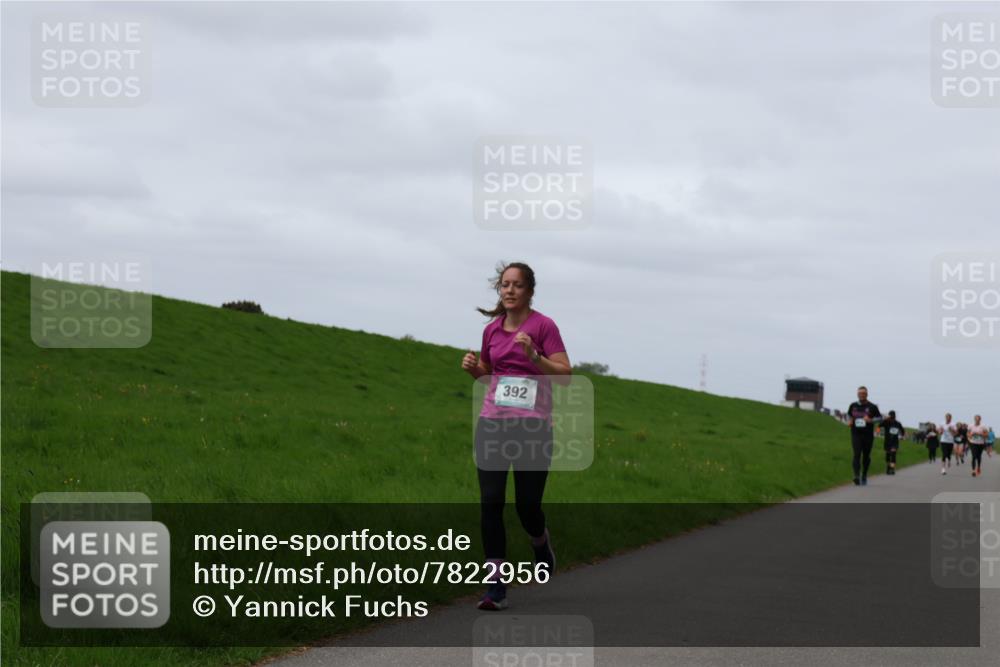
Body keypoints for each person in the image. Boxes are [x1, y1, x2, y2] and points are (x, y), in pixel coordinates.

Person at [462, 261, 571, 611]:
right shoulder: (492, 331)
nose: (509, 290)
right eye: (504, 285)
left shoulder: (544, 326)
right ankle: (496, 584)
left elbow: (565, 375)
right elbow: (490, 378)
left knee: (527, 507)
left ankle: (540, 544)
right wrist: (475, 371)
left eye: (517, 285)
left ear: (529, 291)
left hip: (534, 429)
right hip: (493, 423)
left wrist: (534, 355)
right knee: (490, 502)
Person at [847, 386, 882, 486]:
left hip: (868, 435)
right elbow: (849, 415)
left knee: (866, 456)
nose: (861, 395)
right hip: (856, 434)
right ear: (857, 394)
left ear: (867, 394)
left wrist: (871, 420)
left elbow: (880, 418)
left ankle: (864, 475)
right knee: (856, 454)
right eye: (860, 393)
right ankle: (856, 476)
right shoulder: (853, 405)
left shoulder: (872, 406)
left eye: (863, 393)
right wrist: (849, 420)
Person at [881, 410, 905, 475]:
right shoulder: (886, 422)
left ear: (894, 416)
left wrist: (902, 436)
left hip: (895, 442)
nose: (891, 417)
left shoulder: (897, 423)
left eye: (892, 415)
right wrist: (885, 420)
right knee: (888, 456)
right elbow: (880, 425)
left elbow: (902, 430)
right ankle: (888, 467)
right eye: (890, 415)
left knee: (893, 454)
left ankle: (892, 469)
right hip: (887, 441)